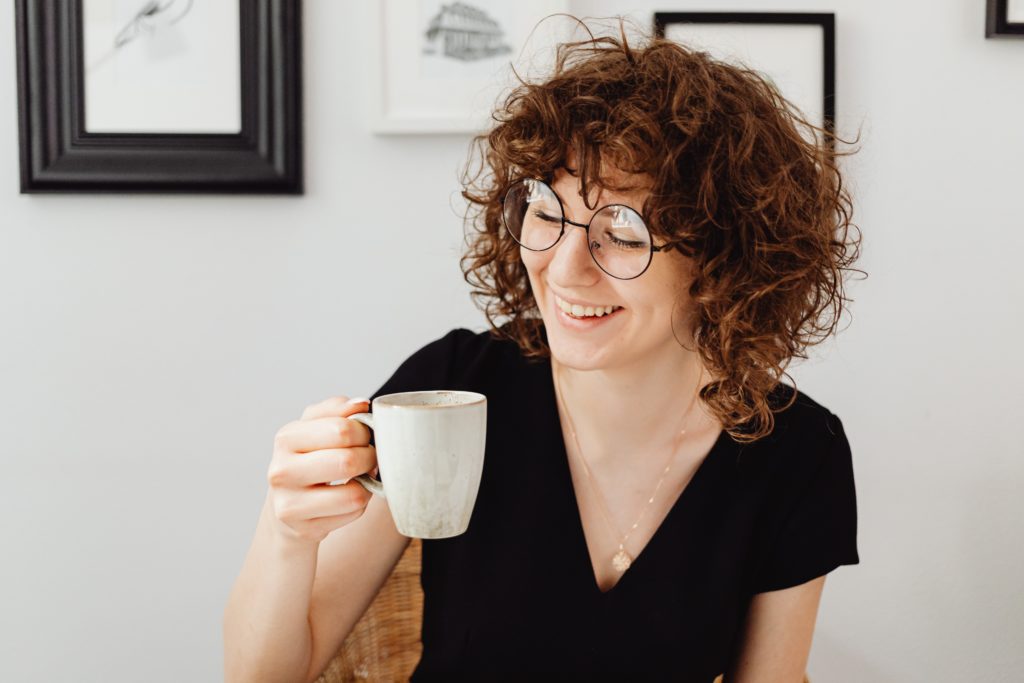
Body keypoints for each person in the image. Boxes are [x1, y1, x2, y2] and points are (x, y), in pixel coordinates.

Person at [224, 18, 863, 682]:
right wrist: (287, 533)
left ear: (720, 258)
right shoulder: (453, 388)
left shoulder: (795, 451)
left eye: (620, 229)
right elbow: (266, 675)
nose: (563, 268)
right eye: (546, 211)